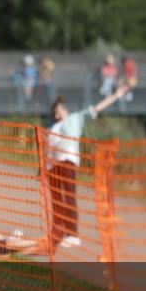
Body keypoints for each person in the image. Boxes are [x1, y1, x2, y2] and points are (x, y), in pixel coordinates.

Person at [45, 85, 128, 251]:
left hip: (68, 160)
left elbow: (97, 108)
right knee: (56, 200)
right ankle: (57, 232)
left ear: (65, 110)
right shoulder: (52, 127)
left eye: (58, 110)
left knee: (69, 197)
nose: (56, 114)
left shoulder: (76, 118)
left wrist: (116, 95)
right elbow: (46, 147)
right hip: (53, 165)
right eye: (54, 112)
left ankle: (72, 234)